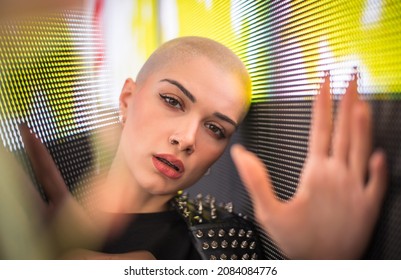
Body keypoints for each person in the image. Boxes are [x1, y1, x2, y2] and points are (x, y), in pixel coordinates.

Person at [17, 36, 387, 260]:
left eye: (215, 128)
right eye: (173, 101)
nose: (188, 138)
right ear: (128, 99)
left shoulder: (225, 242)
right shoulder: (32, 219)